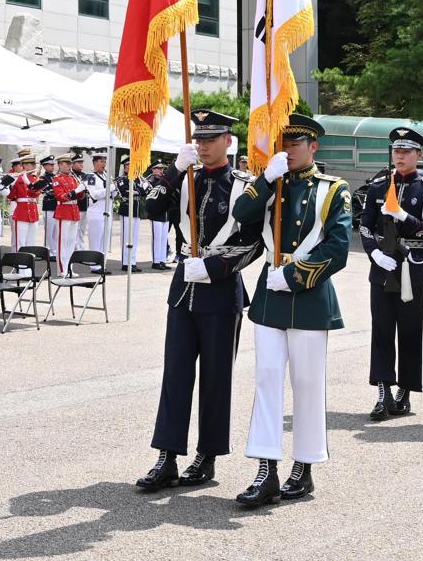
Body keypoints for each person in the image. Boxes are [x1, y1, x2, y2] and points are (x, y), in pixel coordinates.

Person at [135, 110, 263, 491]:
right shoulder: (184, 177)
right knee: (175, 374)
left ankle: (207, 457)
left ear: (228, 141)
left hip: (221, 289)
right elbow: (152, 208)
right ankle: (167, 456)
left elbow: (255, 242)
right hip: (184, 289)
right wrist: (174, 170)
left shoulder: (244, 186)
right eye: (199, 139)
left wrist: (216, 268)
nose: (203, 145)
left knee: (215, 377)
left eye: (211, 138)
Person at [231, 115, 351, 507]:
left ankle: (304, 465)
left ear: (313, 146)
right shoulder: (270, 183)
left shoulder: (334, 190)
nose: (288, 148)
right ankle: (266, 469)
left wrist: (296, 276)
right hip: (271, 295)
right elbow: (241, 216)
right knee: (266, 380)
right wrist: (266, 179)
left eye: (296, 142)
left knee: (307, 384)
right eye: (283, 142)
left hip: (309, 295)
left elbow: (337, 248)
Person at [358, 127, 423, 420]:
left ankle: (404, 392)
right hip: (383, 265)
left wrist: (405, 218)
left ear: (419, 155)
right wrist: (375, 253)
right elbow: (365, 225)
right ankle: (382, 392)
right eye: (396, 150)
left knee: (410, 331)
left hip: (414, 265)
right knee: (381, 330)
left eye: (407, 151)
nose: (400, 156)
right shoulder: (378, 185)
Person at [48, 153, 82, 274]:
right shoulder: (57, 179)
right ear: (60, 165)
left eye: (70, 164)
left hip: (74, 211)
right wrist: (75, 191)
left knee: (72, 242)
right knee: (62, 242)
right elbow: (60, 196)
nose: (69, 166)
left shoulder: (73, 178)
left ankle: (69, 268)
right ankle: (62, 269)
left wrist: (82, 190)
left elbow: (80, 196)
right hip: (64, 211)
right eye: (67, 164)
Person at [80, 152, 111, 255]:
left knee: (104, 240)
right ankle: (94, 265)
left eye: (105, 161)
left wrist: (114, 190)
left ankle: (103, 263)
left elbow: (113, 194)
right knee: (95, 240)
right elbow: (94, 194)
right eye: (102, 161)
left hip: (107, 210)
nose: (104, 164)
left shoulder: (107, 176)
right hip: (96, 212)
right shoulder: (90, 177)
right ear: (95, 162)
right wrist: (109, 189)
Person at [117, 163, 146, 272]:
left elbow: (143, 192)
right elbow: (124, 191)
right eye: (129, 165)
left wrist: (136, 191)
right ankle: (125, 263)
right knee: (126, 237)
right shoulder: (122, 179)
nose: (132, 167)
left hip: (136, 210)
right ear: (125, 168)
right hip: (126, 209)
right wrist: (137, 191)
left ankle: (132, 262)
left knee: (134, 238)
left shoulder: (138, 179)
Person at [6, 155, 41, 248]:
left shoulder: (35, 178)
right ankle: (19, 262)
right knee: (20, 242)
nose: (34, 166)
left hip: (33, 212)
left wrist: (28, 183)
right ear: (25, 165)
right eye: (32, 164)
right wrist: (11, 185)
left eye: (34, 164)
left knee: (31, 242)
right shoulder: (17, 178)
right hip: (21, 213)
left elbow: (36, 193)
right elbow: (10, 196)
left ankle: (29, 261)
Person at [148, 161, 172, 270]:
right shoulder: (151, 181)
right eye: (158, 168)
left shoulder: (164, 180)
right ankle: (156, 261)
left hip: (165, 213)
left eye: (162, 169)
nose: (161, 170)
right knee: (157, 238)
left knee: (163, 238)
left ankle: (162, 260)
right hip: (156, 213)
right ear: (153, 170)